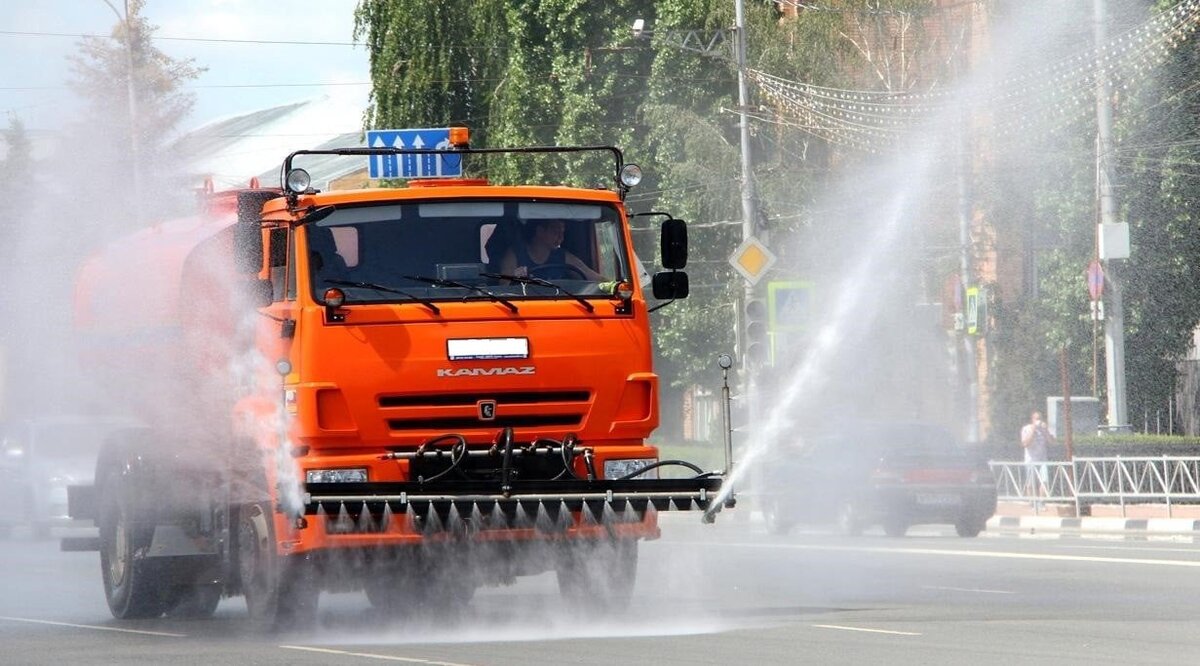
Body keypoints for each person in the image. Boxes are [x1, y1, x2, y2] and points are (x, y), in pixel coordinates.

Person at [499, 219, 603, 281]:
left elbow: (588, 274)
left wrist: (614, 286)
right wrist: (517, 279)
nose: (561, 237)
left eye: (562, 232)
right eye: (556, 232)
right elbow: (505, 286)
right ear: (540, 231)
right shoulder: (515, 254)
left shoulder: (563, 256)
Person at [1020, 410, 1055, 498]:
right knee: (1030, 483)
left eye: (1040, 419)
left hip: (1042, 460)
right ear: (1032, 419)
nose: (1038, 420)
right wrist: (1033, 430)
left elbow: (1052, 442)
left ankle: (1041, 502)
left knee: (1044, 481)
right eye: (1037, 419)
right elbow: (1025, 444)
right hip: (1030, 460)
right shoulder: (1026, 429)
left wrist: (1046, 431)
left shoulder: (1044, 429)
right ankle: (1032, 503)